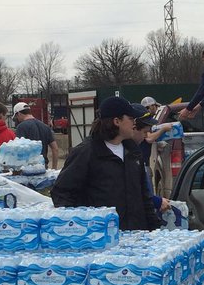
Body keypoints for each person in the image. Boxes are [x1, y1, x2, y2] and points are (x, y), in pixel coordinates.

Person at [51, 96, 160, 232]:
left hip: (136, 237)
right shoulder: (86, 153)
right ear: (117, 121)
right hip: (100, 239)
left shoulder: (133, 151)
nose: (134, 123)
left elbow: (144, 196)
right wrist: (82, 230)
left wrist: (154, 229)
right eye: (131, 118)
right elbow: (62, 194)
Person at [129, 103, 171, 220]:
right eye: (144, 132)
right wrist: (156, 201)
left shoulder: (133, 153)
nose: (145, 136)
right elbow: (136, 193)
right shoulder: (129, 156)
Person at [13, 102, 59, 169]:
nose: (17, 119)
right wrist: (54, 168)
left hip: (27, 168)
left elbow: (18, 150)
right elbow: (55, 148)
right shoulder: (45, 127)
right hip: (43, 167)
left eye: (16, 117)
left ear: (19, 114)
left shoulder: (21, 127)